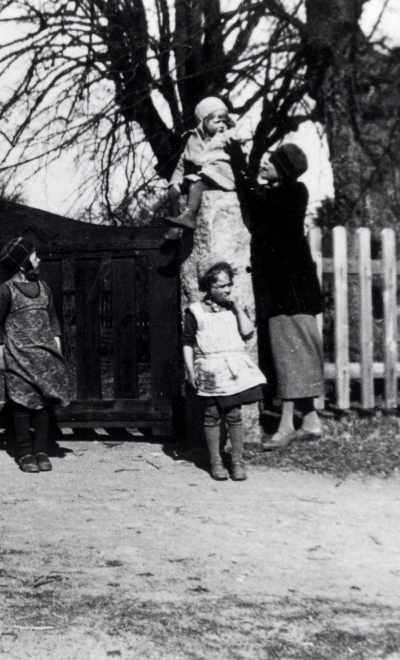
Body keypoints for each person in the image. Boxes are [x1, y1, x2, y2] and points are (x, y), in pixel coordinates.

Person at [228, 142, 325, 449]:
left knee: (290, 355)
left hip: (290, 287)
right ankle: (310, 422)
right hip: (285, 286)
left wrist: (239, 162)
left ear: (283, 170)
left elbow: (257, 202)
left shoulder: (293, 192)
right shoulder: (281, 193)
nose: (265, 164)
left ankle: (285, 426)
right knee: (295, 353)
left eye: (271, 162)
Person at [0, 236, 72, 473]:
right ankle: (25, 452)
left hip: (43, 360)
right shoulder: (6, 292)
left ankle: (41, 450)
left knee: (43, 404)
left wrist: (56, 343)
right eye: (35, 257)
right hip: (17, 360)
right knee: (22, 406)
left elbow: (52, 318)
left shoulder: (44, 288)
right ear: (23, 264)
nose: (40, 260)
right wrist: (0, 356)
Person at [182, 262, 266, 481]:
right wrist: (190, 371)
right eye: (220, 286)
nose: (226, 290)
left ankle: (237, 461)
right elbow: (187, 343)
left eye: (229, 285)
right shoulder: (195, 311)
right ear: (209, 287)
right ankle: (215, 461)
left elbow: (247, 332)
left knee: (234, 414)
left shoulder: (234, 309)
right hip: (209, 366)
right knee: (211, 414)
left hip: (233, 368)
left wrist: (237, 308)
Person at [164, 97, 239, 241]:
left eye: (225, 121)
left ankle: (190, 214)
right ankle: (175, 227)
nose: (222, 125)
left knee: (196, 182)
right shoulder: (192, 141)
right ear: (203, 122)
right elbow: (182, 164)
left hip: (221, 174)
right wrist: (175, 182)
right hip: (200, 174)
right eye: (217, 121)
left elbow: (238, 157)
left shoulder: (226, 137)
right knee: (174, 192)